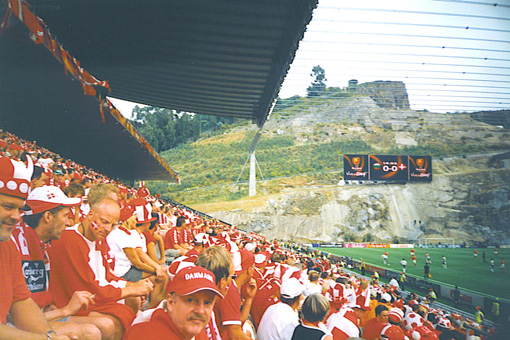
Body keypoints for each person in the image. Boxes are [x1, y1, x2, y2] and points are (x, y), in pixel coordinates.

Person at [48, 197, 154, 340]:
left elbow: (106, 275)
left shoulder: (99, 238)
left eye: (113, 225)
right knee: (111, 322)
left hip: (94, 294)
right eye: (104, 222)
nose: (108, 229)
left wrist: (131, 285)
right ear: (90, 214)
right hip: (72, 300)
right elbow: (85, 288)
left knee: (132, 302)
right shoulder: (70, 239)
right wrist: (130, 289)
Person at [14, 185, 108, 340]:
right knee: (91, 332)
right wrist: (66, 310)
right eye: (65, 216)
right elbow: (19, 317)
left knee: (105, 323)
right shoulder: (16, 245)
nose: (68, 222)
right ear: (48, 216)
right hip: (19, 325)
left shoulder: (43, 244)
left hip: (42, 315)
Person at [0, 156, 70, 340]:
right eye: (8, 207)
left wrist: (50, 335)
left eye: (20, 209)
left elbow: (21, 300)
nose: (16, 217)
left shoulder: (7, 245)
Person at [124, 266, 224, 340]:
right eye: (190, 300)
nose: (200, 311)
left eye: (207, 302)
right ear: (171, 302)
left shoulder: (193, 332)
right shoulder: (148, 335)